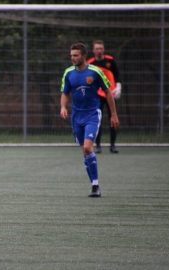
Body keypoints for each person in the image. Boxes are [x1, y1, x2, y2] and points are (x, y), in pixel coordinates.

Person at [60, 43, 119, 197]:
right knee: (84, 152)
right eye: (71, 55)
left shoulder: (95, 72)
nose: (72, 58)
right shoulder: (68, 73)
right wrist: (63, 107)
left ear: (84, 56)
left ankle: (95, 186)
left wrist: (113, 114)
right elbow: (65, 92)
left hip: (92, 114)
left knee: (87, 148)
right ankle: (93, 184)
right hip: (76, 116)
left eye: (76, 55)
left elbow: (108, 92)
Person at [87, 40, 122, 153]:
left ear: (104, 49)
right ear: (93, 50)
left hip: (110, 94)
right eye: (97, 48)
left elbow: (117, 75)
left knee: (113, 118)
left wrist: (118, 87)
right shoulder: (90, 63)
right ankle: (98, 146)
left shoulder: (110, 61)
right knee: (97, 120)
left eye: (101, 48)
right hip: (97, 96)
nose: (99, 50)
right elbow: (88, 79)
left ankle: (112, 145)